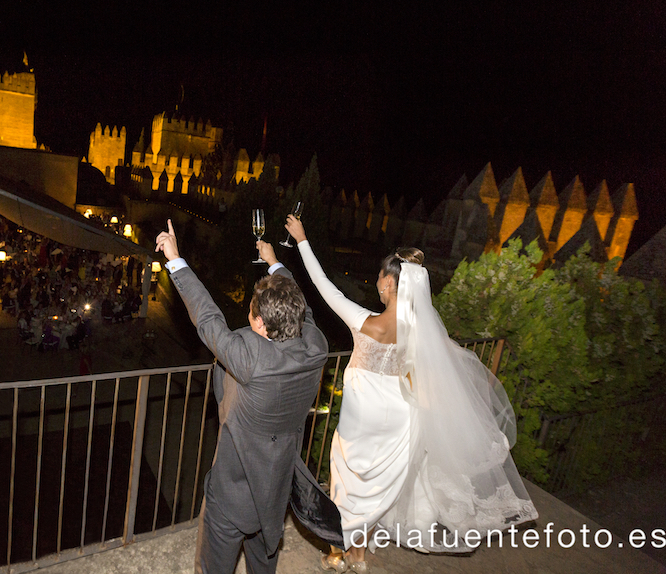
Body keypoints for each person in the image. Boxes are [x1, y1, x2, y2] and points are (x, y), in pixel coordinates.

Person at [284, 216, 537, 571]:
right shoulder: (421, 330)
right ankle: (358, 556)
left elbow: (323, 284)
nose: (376, 283)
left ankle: (341, 553)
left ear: (389, 283)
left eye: (379, 278)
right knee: (379, 492)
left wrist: (302, 240)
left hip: (362, 421)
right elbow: (438, 367)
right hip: (400, 418)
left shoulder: (365, 322)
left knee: (348, 485)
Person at [155, 219, 340, 574]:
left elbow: (207, 319)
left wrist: (175, 258)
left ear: (259, 325)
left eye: (252, 313)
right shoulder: (317, 344)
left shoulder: (249, 357)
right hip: (275, 490)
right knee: (262, 562)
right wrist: (274, 262)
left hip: (232, 495)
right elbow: (304, 306)